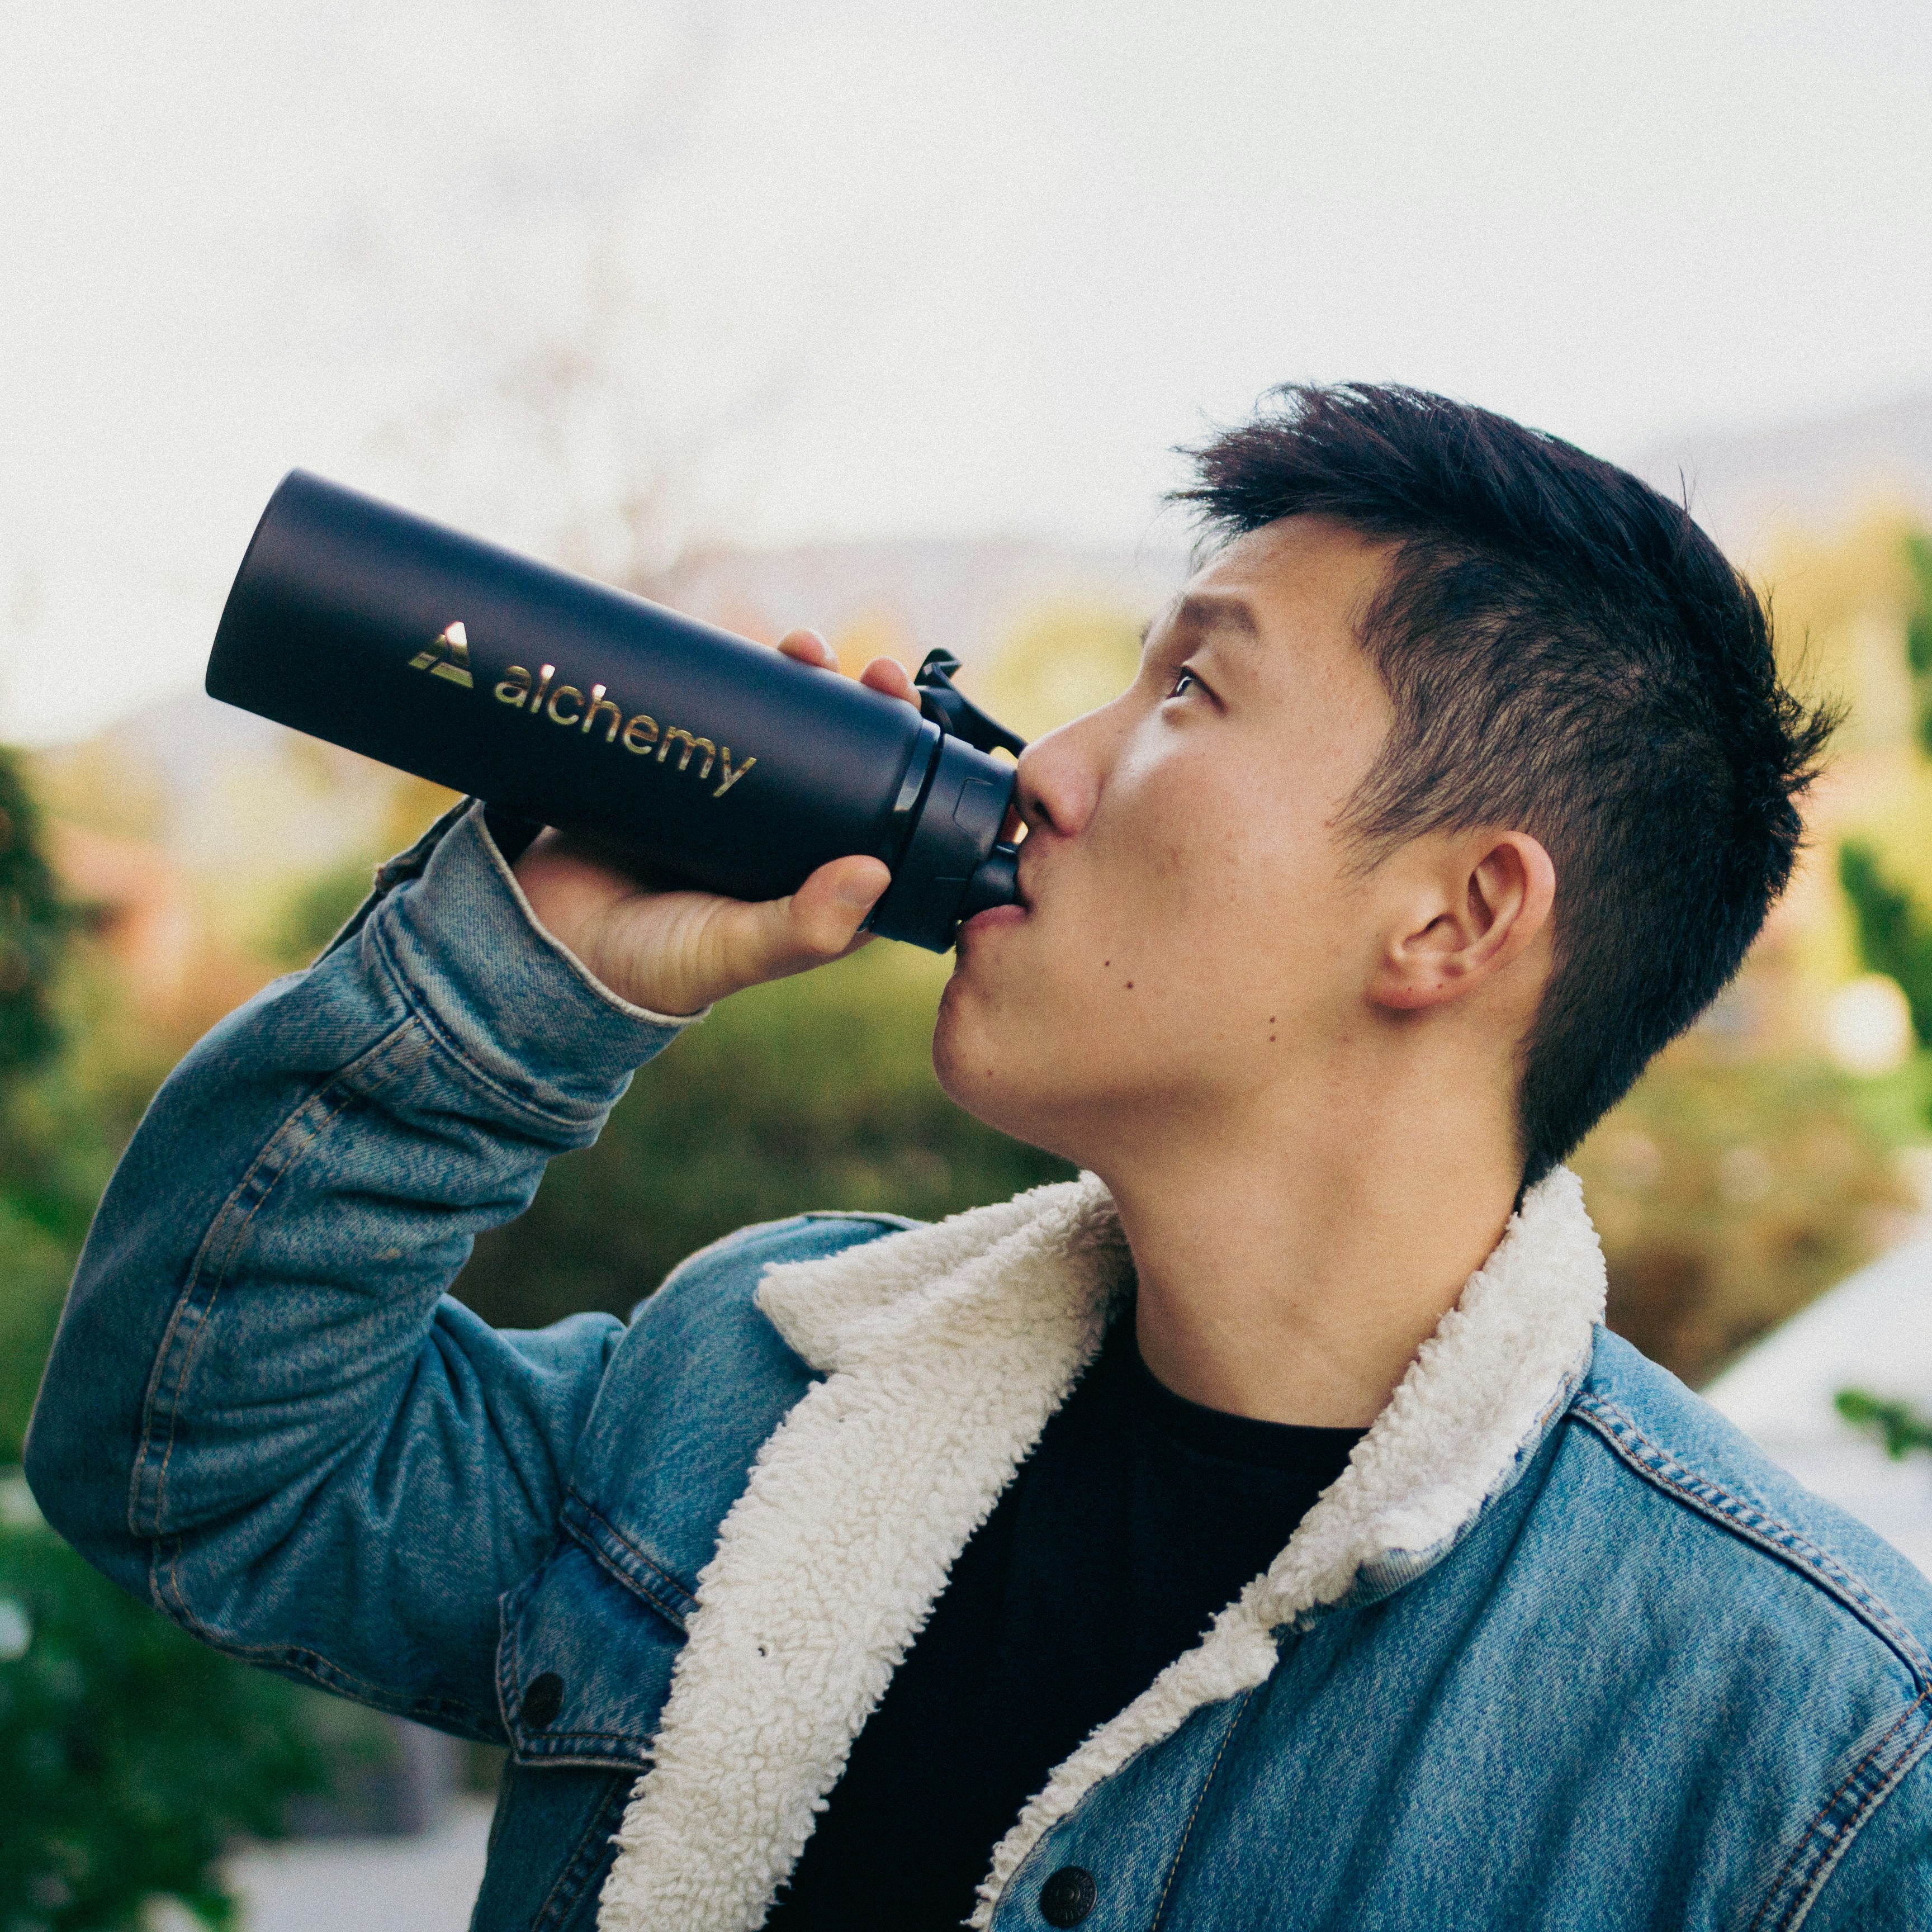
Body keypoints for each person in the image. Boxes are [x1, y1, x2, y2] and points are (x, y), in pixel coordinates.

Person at [25, 384, 1931, 1932]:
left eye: (1192, 689)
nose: (1047, 767)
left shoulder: (1806, 1760)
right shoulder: (745, 1397)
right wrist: (526, 982)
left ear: (1454, 919)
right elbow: (196, 1472)